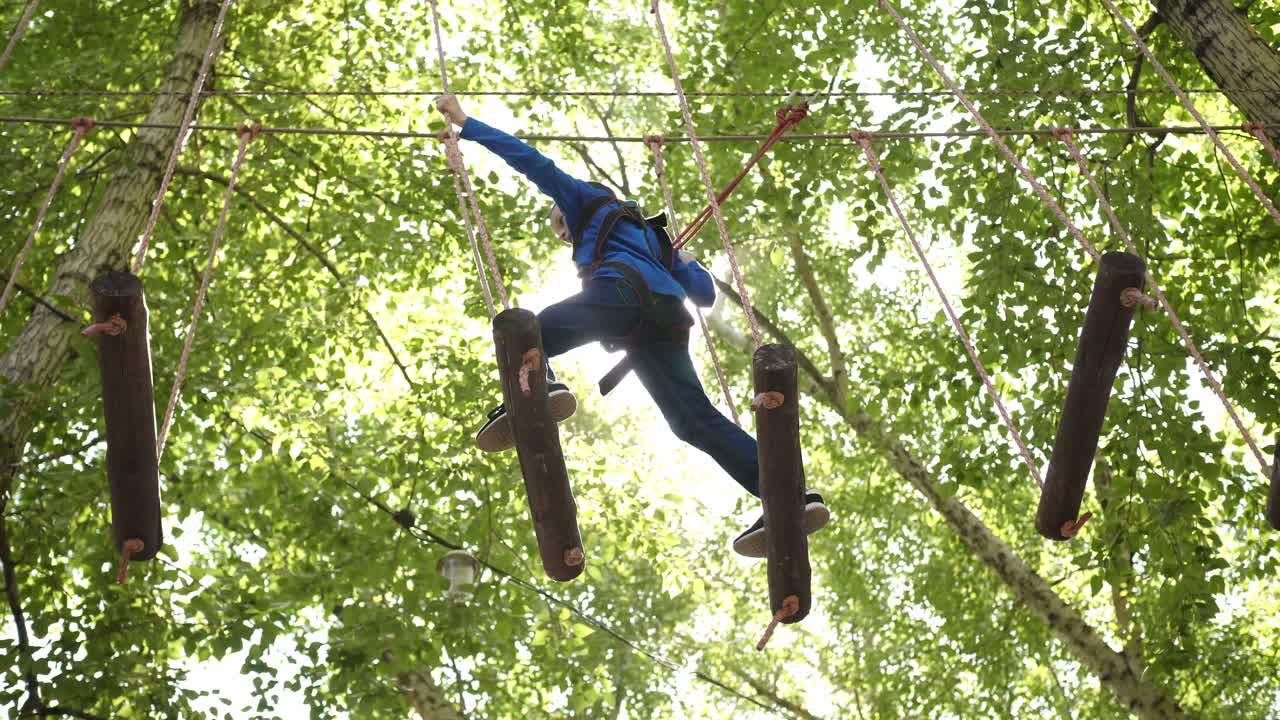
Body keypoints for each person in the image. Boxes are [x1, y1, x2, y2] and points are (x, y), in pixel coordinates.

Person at [434, 94, 829, 557]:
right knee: (691, 421)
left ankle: (540, 385)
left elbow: (534, 164)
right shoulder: (653, 239)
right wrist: (686, 262)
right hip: (661, 325)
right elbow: (702, 295)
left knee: (532, 331)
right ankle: (787, 494)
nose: (563, 233)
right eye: (559, 233)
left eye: (560, 222)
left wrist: (468, 124)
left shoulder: (586, 200)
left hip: (624, 296)